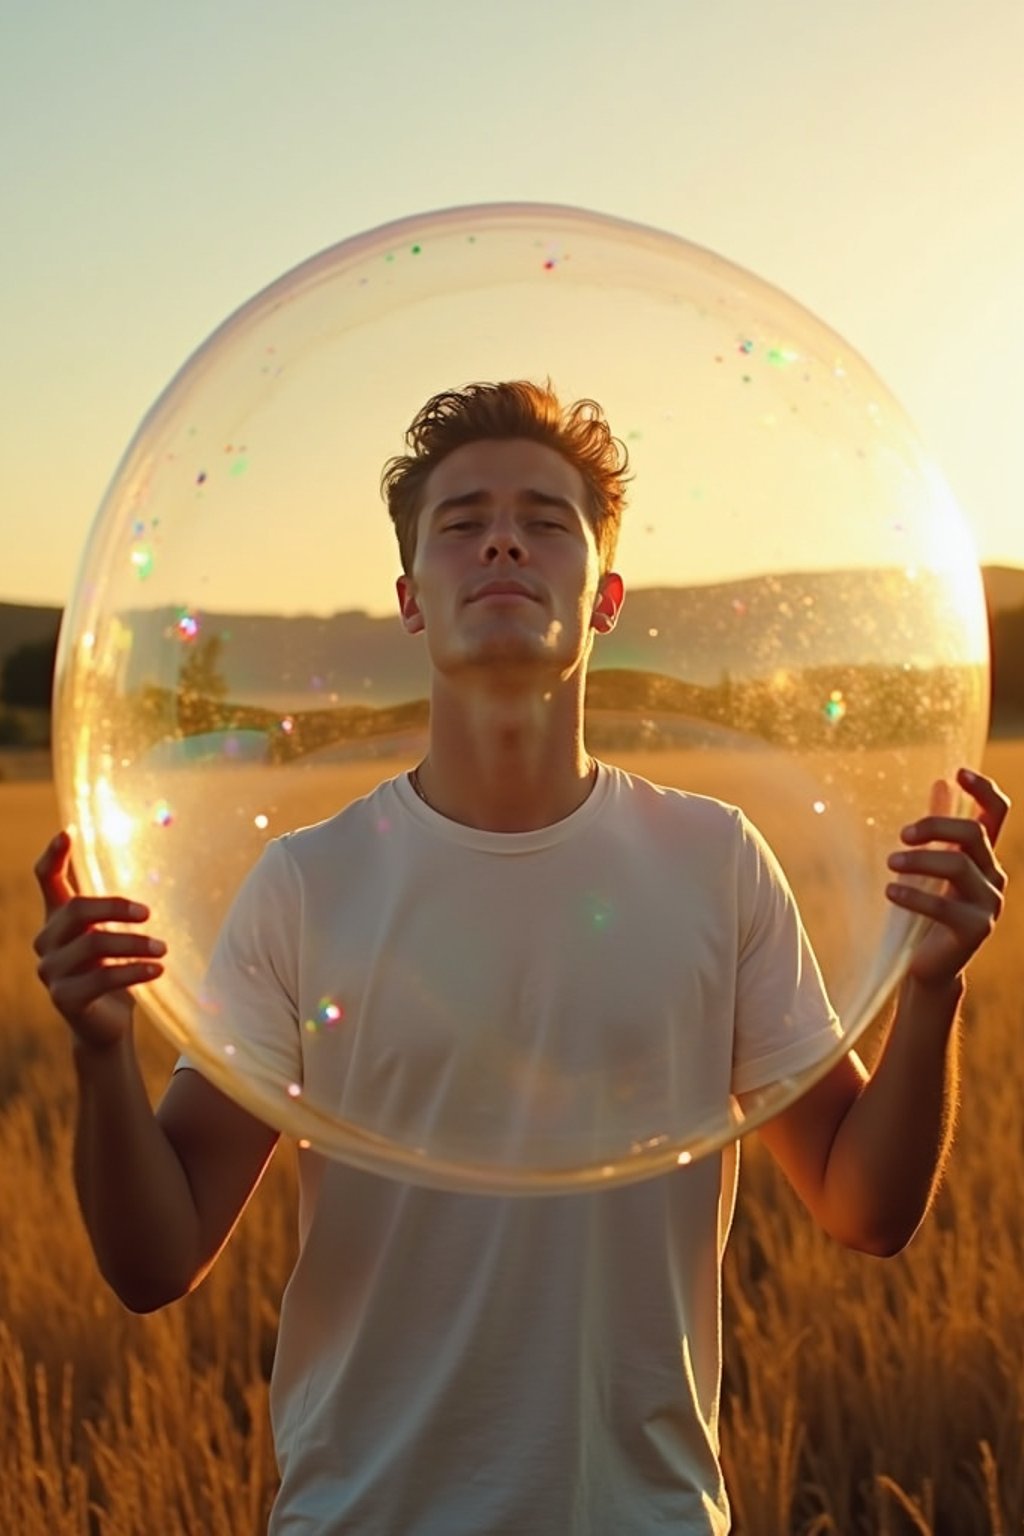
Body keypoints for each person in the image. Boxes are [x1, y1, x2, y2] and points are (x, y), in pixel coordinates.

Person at [34, 382, 1010, 1535]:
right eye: (462, 521)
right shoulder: (309, 884)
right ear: (409, 598)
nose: (503, 536)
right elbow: (158, 1261)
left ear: (604, 598)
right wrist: (101, 1059)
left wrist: (933, 993)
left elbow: (865, 1208)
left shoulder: (714, 862)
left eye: (546, 518)